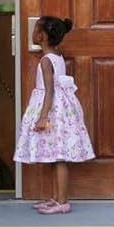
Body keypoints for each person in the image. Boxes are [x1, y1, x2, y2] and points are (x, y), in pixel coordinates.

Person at [13, 16, 95, 214]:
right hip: (61, 110)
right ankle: (57, 198)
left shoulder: (45, 61)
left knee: (59, 158)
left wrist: (43, 117)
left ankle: (62, 202)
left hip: (52, 111)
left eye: (35, 30)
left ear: (41, 36)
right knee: (54, 155)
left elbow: (49, 90)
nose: (32, 33)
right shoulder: (57, 55)